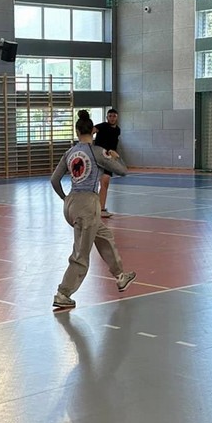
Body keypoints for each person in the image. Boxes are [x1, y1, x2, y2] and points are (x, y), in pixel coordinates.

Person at [52, 110, 136, 312]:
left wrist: (65, 198)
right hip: (88, 205)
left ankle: (120, 276)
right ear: (93, 131)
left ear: (77, 131)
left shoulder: (70, 153)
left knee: (104, 235)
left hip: (71, 203)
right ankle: (63, 294)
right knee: (81, 254)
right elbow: (123, 171)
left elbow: (54, 180)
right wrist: (117, 157)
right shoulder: (98, 152)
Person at [93, 107, 123, 218]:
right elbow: (91, 131)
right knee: (96, 183)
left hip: (109, 159)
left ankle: (101, 208)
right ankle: (93, 207)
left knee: (105, 182)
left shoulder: (118, 130)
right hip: (98, 158)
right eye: (110, 116)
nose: (112, 118)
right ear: (107, 117)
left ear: (117, 117)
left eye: (114, 116)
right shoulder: (102, 126)